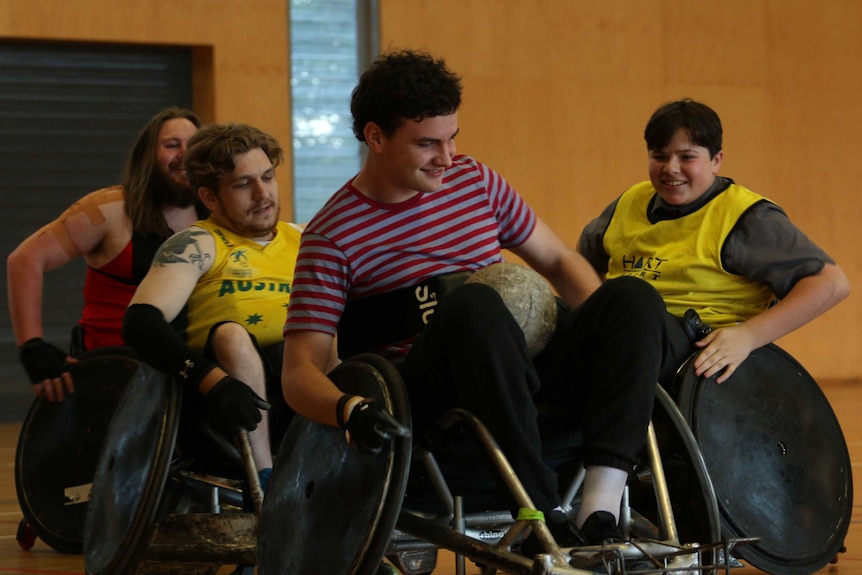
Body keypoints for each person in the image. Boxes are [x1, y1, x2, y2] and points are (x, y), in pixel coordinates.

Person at [281, 49, 668, 550]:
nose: (447, 158)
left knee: (631, 296)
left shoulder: (475, 181)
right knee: (473, 305)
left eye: (452, 139)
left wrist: (605, 341)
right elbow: (298, 372)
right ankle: (541, 508)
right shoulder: (332, 234)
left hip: (526, 379)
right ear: (376, 137)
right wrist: (349, 408)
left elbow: (557, 261)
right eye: (427, 144)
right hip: (436, 408)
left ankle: (600, 503)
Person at [578, 98, 850, 386]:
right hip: (625, 333)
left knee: (633, 300)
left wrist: (748, 336)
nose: (671, 168)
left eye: (686, 157)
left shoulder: (746, 217)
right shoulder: (630, 200)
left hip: (692, 348)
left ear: (716, 160)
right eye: (660, 156)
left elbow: (831, 284)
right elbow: (582, 263)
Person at [122, 122, 304, 490]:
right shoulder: (198, 242)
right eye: (242, 184)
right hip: (225, 392)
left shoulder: (303, 238)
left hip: (302, 377)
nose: (262, 193)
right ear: (209, 198)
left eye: (267, 177)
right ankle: (264, 478)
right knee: (231, 334)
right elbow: (141, 322)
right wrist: (211, 380)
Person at [7, 106, 204, 402]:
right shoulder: (110, 209)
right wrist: (32, 346)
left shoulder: (215, 214)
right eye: (171, 145)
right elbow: (24, 260)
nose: (184, 155)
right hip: (114, 375)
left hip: (188, 373)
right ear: (147, 155)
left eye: (193, 146)